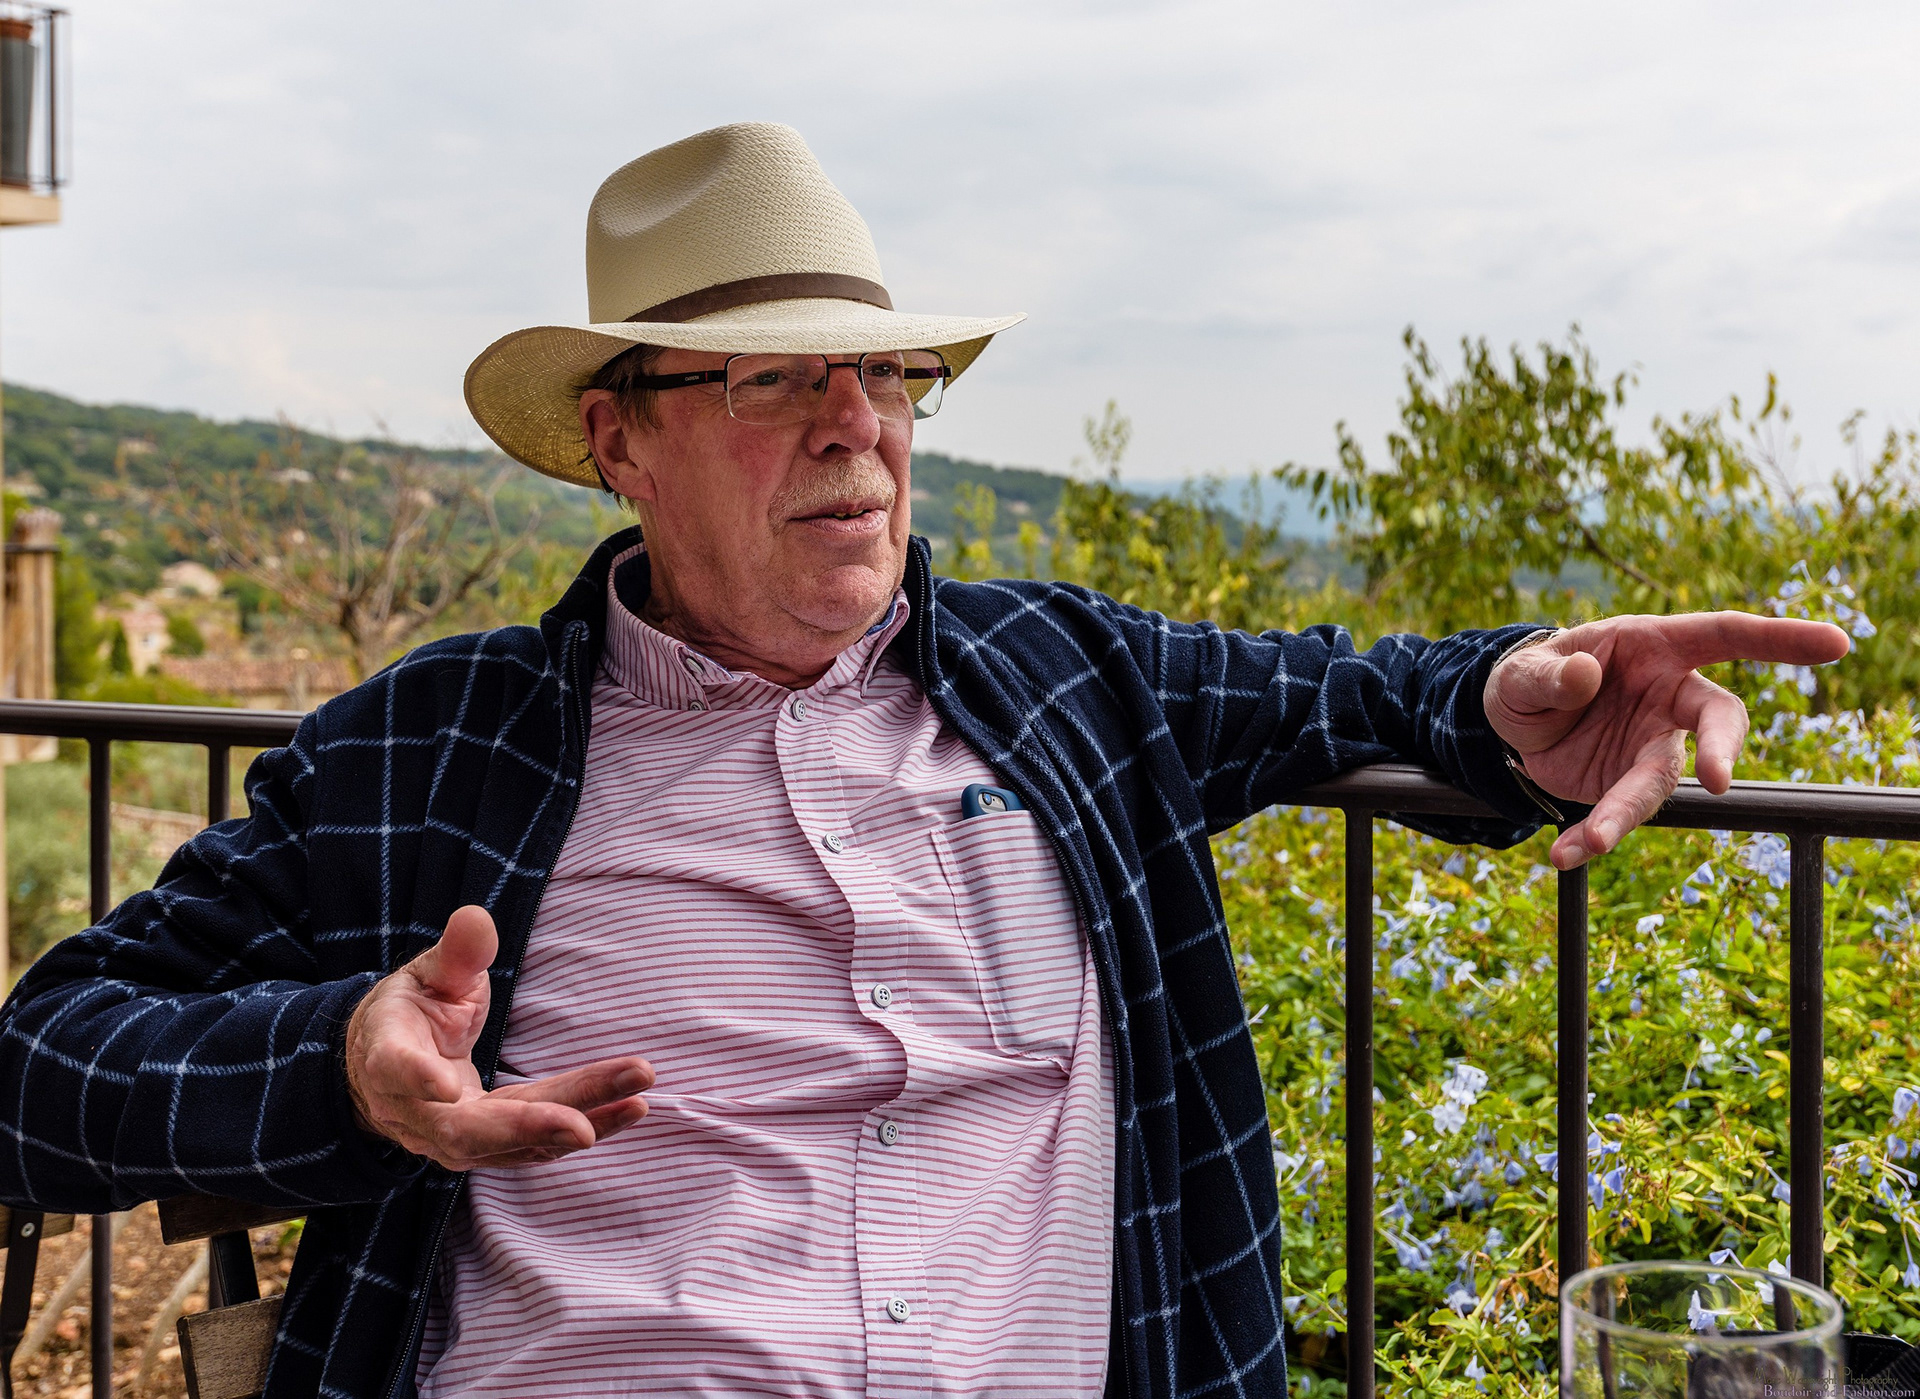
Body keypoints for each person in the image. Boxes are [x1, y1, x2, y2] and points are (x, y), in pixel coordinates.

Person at [0, 123, 1848, 1399]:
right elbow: (38, 1062)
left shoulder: (1063, 682)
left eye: (884, 376)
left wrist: (1525, 691)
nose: (855, 426)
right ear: (618, 440)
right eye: (770, 377)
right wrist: (342, 1066)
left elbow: (1357, 691)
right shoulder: (431, 750)